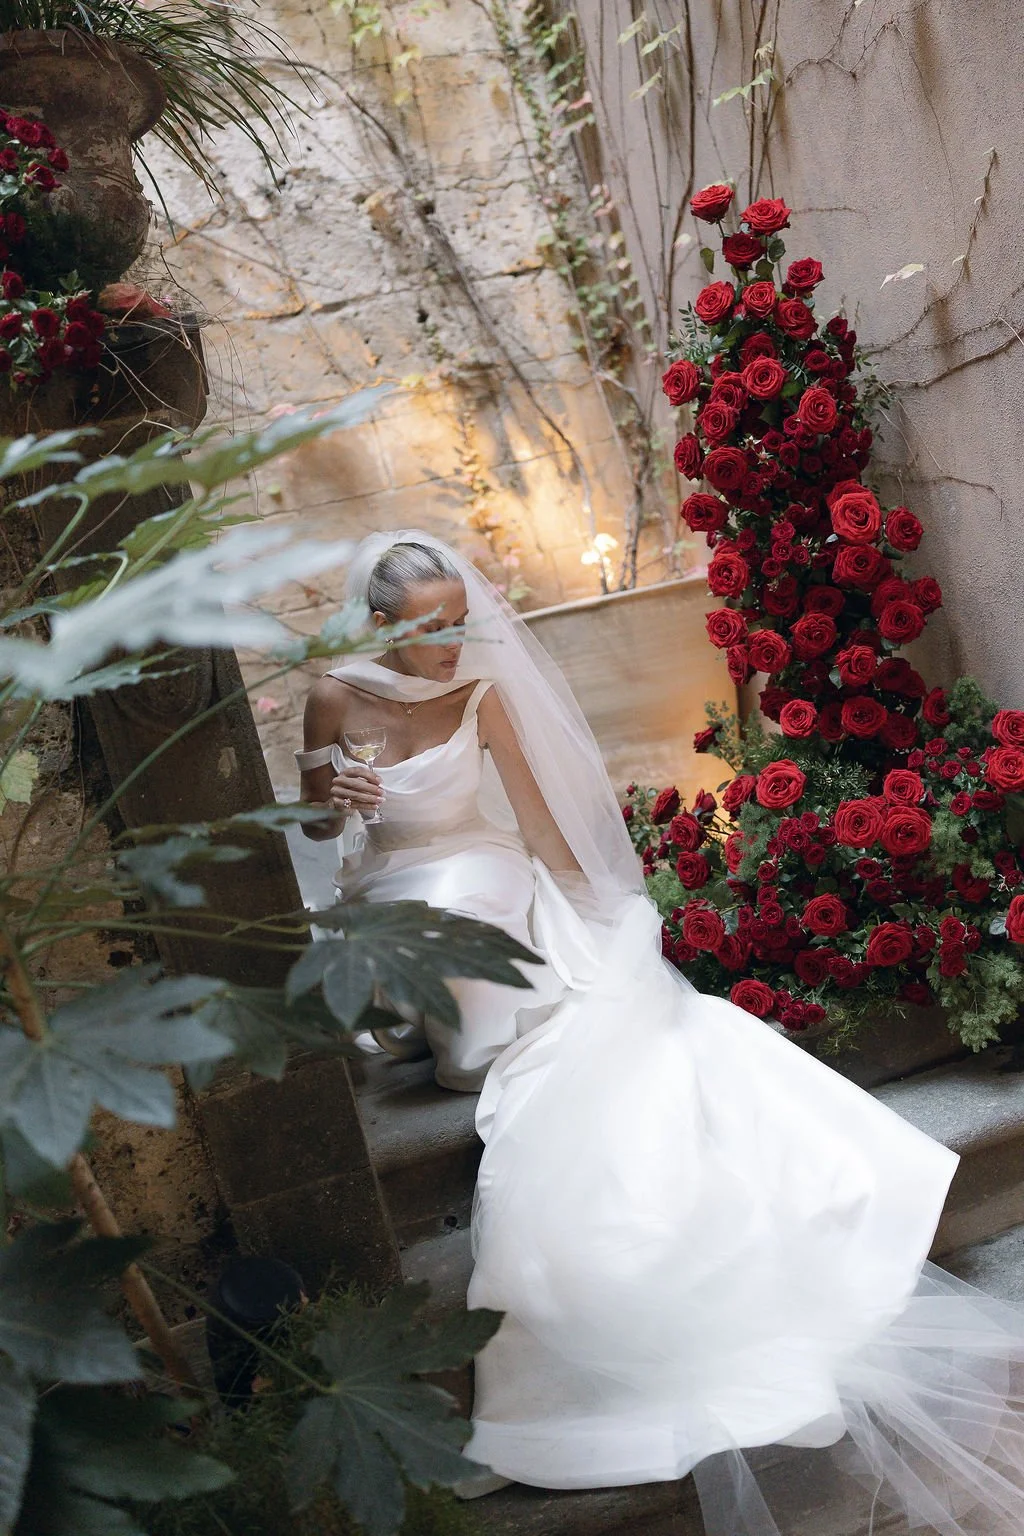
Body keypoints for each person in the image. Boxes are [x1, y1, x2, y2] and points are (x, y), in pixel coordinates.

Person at [297, 530, 1024, 1534]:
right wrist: (327, 797)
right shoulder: (334, 695)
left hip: (489, 875)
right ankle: (475, 1018)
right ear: (380, 625)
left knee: (579, 968)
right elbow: (314, 831)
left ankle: (542, 1014)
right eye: (432, 628)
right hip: (393, 889)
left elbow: (537, 824)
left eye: (462, 618)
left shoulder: (477, 690)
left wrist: (598, 910)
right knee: (460, 919)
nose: (456, 640)